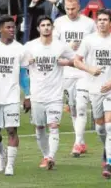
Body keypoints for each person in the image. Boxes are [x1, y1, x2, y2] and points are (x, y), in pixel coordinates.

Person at [74, 9, 111, 179]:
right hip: (94, 90)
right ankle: (106, 150)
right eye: (99, 20)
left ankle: (109, 164)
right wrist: (90, 69)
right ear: (96, 22)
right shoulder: (89, 40)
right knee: (100, 127)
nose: (102, 22)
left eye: (105, 20)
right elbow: (76, 61)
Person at [0, 15, 31, 176]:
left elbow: (24, 75)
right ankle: (1, 154)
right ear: (0, 29)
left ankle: (10, 165)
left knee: (11, 130)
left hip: (12, 96)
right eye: (8, 27)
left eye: (13, 27)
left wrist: (28, 95)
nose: (12, 30)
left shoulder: (20, 49)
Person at [24, 15, 75, 169]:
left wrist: (65, 62)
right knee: (39, 128)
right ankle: (45, 155)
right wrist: (27, 62)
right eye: (43, 25)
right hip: (37, 95)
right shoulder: (29, 46)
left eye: (48, 25)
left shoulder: (61, 46)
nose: (46, 27)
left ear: (53, 28)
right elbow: (18, 64)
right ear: (38, 28)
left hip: (55, 95)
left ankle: (51, 157)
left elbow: (75, 60)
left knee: (53, 126)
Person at [52, 0, 97, 156]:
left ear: (79, 7)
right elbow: (53, 46)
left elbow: (96, 43)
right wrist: (67, 46)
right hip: (67, 71)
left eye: (73, 8)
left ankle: (77, 143)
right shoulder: (59, 23)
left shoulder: (89, 23)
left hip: (83, 70)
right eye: (67, 9)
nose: (70, 12)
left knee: (81, 106)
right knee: (72, 108)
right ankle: (81, 142)